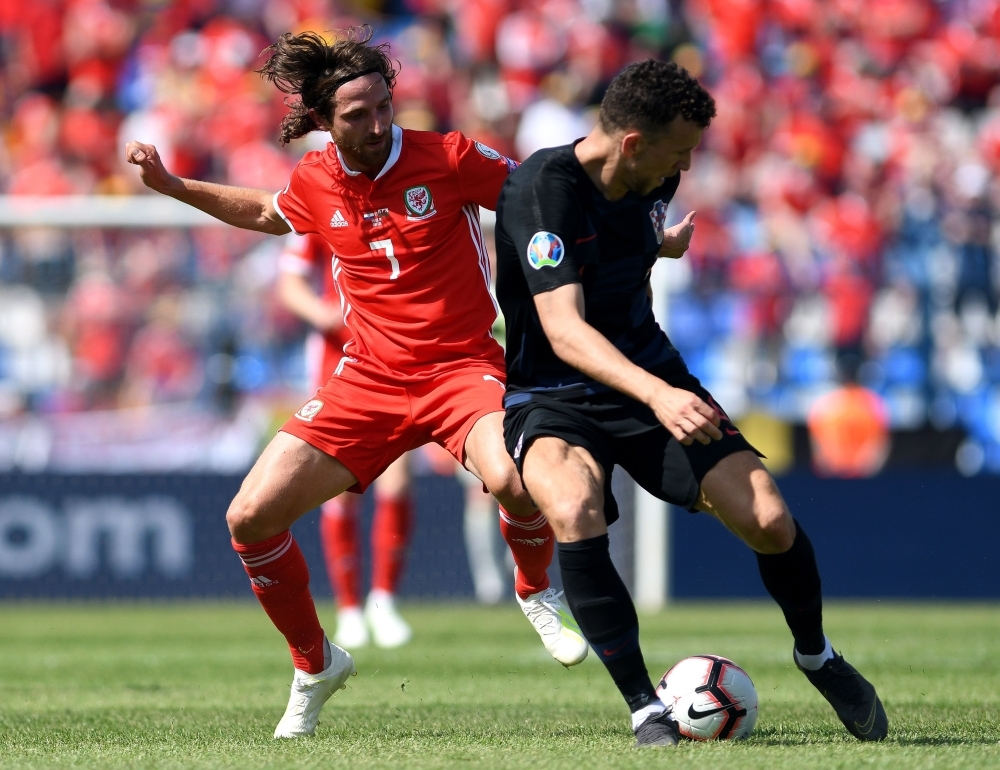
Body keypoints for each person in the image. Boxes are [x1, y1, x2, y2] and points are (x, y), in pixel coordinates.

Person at [124, 27, 588, 740]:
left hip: (460, 367)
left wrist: (640, 227)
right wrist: (172, 185)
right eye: (356, 115)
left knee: (517, 479)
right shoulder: (316, 181)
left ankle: (534, 588)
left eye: (383, 107)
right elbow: (263, 213)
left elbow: (542, 192)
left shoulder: (449, 156)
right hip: (367, 379)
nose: (376, 125)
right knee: (249, 518)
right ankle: (316, 664)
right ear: (320, 123)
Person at [494, 59, 888, 748]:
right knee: (574, 507)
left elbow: (618, 253)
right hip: (554, 390)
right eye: (681, 150)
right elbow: (564, 329)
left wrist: (657, 247)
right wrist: (657, 395)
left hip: (649, 373)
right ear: (633, 143)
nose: (688, 164)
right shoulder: (539, 191)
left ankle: (817, 655)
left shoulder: (656, 177)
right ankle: (646, 707)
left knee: (768, 517)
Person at [277, 232, 414, 649]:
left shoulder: (397, 197)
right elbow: (290, 281)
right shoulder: (321, 204)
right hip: (339, 357)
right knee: (341, 488)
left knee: (398, 478)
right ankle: (349, 607)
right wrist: (322, 313)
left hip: (394, 350)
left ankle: (384, 602)